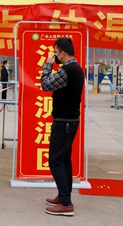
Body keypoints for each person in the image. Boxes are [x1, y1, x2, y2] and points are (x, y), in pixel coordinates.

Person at [41, 36, 84, 216]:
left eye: (56, 52)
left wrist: (47, 65)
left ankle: (66, 203)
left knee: (56, 160)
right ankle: (63, 195)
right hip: (69, 120)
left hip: (64, 121)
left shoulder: (68, 70)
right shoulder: (75, 68)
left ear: (62, 53)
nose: (54, 55)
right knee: (64, 159)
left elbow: (46, 85)